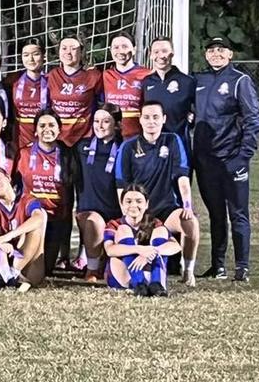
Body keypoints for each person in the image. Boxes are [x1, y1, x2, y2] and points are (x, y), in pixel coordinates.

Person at [193, 36, 259, 282]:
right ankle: (217, 265)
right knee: (215, 214)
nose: (216, 54)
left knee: (238, 213)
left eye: (221, 50)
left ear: (230, 54)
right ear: (206, 55)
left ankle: (242, 267)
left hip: (231, 159)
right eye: (211, 50)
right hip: (205, 162)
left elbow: (253, 120)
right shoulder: (198, 80)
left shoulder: (240, 81)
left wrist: (243, 157)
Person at [114, 100, 200, 286]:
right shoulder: (128, 147)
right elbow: (122, 186)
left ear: (163, 119)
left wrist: (187, 205)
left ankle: (188, 270)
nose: (151, 121)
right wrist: (126, 214)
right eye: (147, 117)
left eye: (155, 117)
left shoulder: (173, 141)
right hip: (140, 211)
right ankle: (136, 274)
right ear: (140, 120)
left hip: (166, 208)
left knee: (190, 222)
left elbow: (182, 176)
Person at [17, 110, 77, 273]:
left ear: (59, 130)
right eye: (42, 125)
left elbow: (71, 190)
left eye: (51, 125)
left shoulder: (68, 154)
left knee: (45, 269)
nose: (47, 129)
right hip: (30, 218)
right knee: (24, 265)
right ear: (35, 130)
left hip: (55, 219)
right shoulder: (24, 153)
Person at [0, 166, 47, 291]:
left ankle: (14, 273)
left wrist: (9, 236)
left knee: (39, 219)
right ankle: (4, 273)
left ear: (8, 177)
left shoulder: (27, 199)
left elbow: (38, 218)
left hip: (25, 265)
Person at [75, 103, 124, 283]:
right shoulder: (82, 147)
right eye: (96, 121)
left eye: (106, 121)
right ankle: (92, 269)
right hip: (88, 211)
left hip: (115, 213)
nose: (100, 125)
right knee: (93, 221)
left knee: (118, 274)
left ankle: (104, 260)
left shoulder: (124, 148)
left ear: (117, 125)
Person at [103, 184, 182, 296]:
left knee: (161, 231)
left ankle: (156, 284)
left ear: (146, 204)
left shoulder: (154, 223)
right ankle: (138, 284)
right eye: (129, 201)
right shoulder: (114, 224)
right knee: (123, 229)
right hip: (123, 274)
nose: (134, 205)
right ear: (122, 205)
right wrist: (139, 249)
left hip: (149, 272)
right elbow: (110, 250)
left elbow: (176, 246)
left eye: (139, 201)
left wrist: (152, 252)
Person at [47, 34, 102, 148]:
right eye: (64, 48)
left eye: (73, 48)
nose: (68, 52)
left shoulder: (94, 76)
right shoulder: (52, 76)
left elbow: (102, 105)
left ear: (81, 52)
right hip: (57, 137)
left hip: (84, 138)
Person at [142, 36, 195, 143]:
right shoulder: (146, 82)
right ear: (151, 55)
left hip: (178, 142)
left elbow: (199, 112)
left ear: (172, 53)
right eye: (156, 52)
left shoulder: (188, 82)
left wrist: (192, 118)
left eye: (165, 51)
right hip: (152, 143)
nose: (161, 56)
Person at [102, 32, 152, 139]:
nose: (120, 51)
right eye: (116, 47)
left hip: (138, 135)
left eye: (124, 46)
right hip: (112, 136)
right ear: (110, 51)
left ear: (134, 49)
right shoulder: (105, 75)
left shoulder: (147, 74)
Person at [6, 38, 49, 150]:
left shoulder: (52, 80)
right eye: (26, 55)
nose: (30, 59)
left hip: (46, 138)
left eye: (35, 54)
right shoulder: (12, 80)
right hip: (20, 141)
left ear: (44, 56)